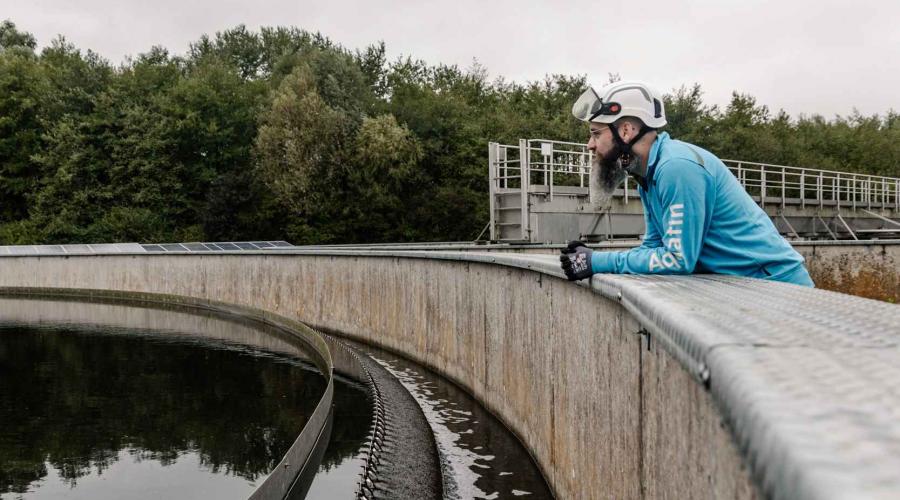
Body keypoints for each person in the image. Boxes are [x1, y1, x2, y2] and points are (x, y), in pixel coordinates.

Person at [559, 80, 814, 287]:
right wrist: (592, 258)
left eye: (596, 133)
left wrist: (597, 261)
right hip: (750, 288)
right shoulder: (648, 175)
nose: (590, 145)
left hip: (778, 287)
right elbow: (654, 247)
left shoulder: (676, 168)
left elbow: (676, 260)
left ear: (625, 130)